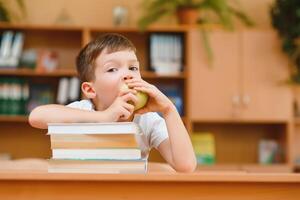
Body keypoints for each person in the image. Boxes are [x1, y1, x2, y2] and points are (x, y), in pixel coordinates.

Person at [29, 33, 196, 172]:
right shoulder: (84, 111)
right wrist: (104, 117)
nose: (127, 75)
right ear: (90, 90)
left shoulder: (147, 120)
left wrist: (168, 110)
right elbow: (36, 117)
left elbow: (186, 165)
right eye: (112, 69)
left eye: (133, 68)